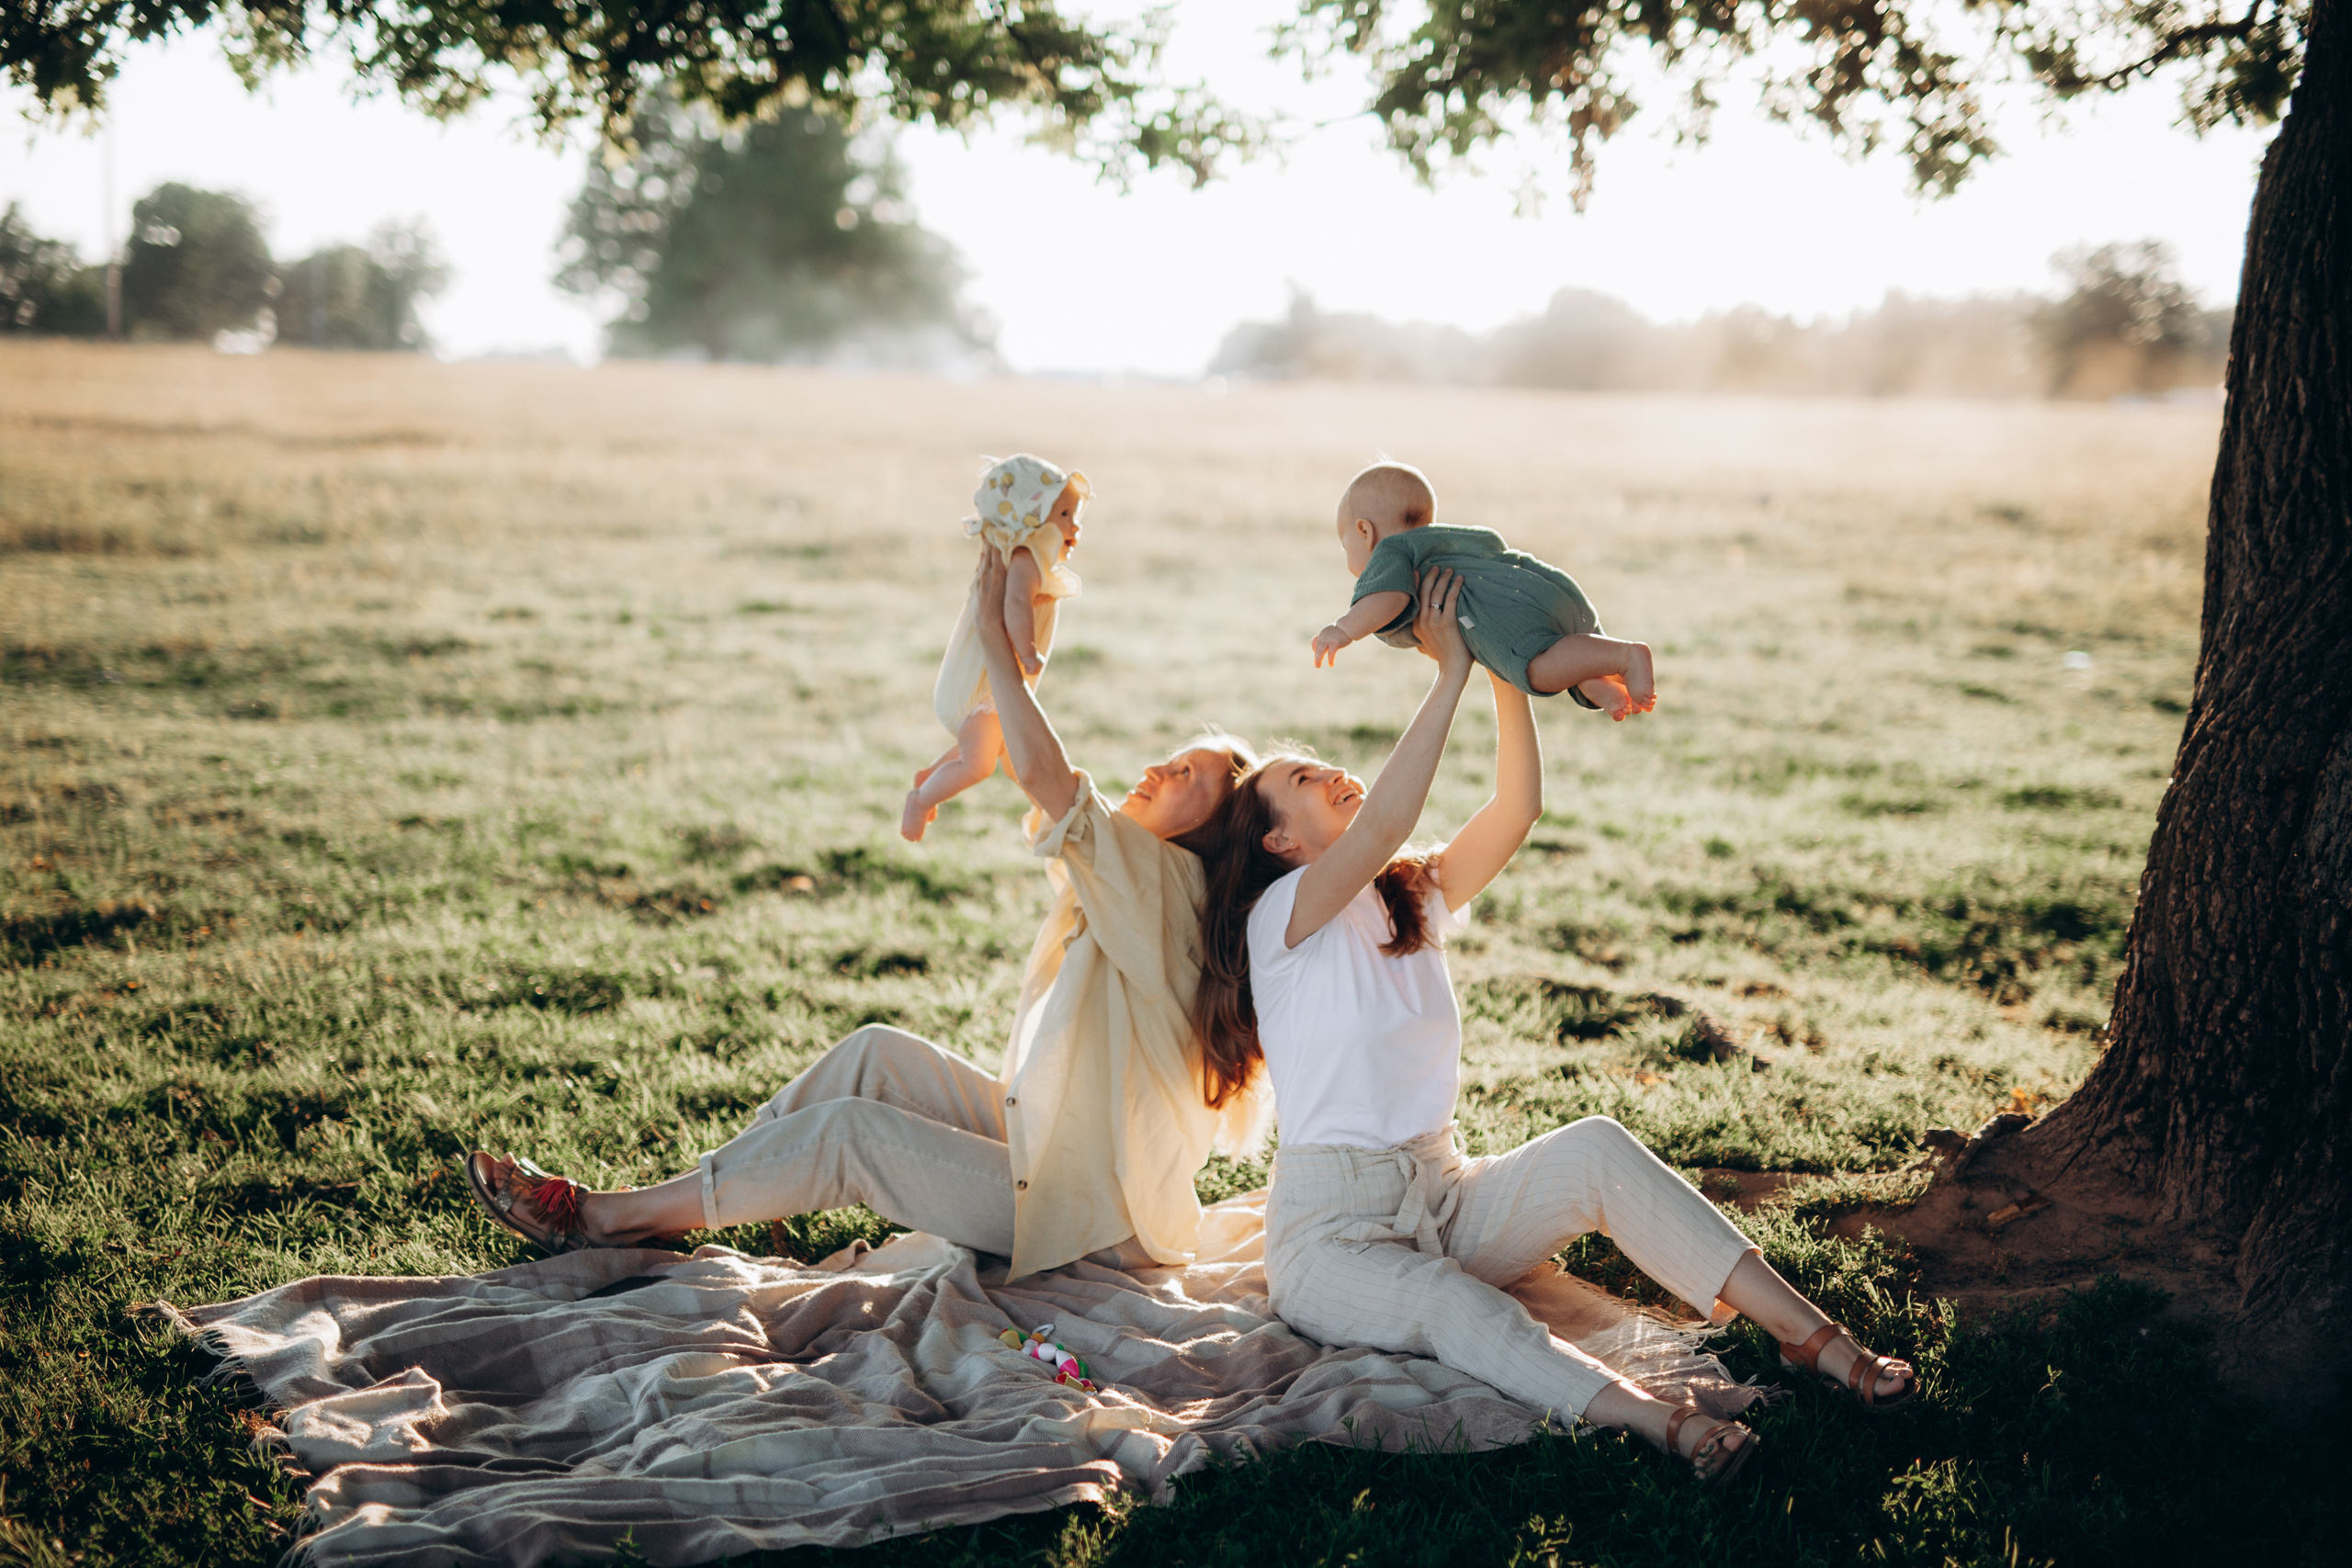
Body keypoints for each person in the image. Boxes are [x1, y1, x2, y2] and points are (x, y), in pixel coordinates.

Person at [1195, 568, 1914, 1484]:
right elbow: (1382, 825)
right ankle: (1663, 1424)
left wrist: (1503, 664)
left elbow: (1514, 810)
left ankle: (1813, 1341)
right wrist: (1443, 672)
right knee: (1449, 1306)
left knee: (1596, 1149)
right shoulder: (1284, 918)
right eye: (1304, 779)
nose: (1335, 773)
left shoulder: (1405, 895)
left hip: (1442, 1191)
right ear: (1279, 842)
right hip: (1330, 1238)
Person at [468, 547, 1265, 1281]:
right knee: (874, 1054)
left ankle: (608, 1220)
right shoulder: (1145, 876)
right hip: (1063, 1154)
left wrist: (994, 632)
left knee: (852, 1132)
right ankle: (707, 1194)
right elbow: (1023, 764)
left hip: (1091, 1221)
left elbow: (1044, 772)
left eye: (1188, 775)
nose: (1161, 765)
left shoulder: (1168, 883)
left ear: (1211, 835)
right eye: (1176, 754)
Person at [1308, 461, 1657, 721]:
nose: (1349, 562)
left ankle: (1625, 657)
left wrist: (1343, 629)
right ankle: (1606, 684)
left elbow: (1390, 598)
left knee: (1536, 668)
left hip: (1508, 611)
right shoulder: (1450, 542)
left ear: (1365, 531)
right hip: (1543, 585)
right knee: (1563, 657)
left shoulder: (1392, 552)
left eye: (1345, 548)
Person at [905, 453, 1089, 841]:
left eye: (1076, 515)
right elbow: (1015, 604)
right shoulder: (1025, 556)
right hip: (982, 689)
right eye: (1065, 516)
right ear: (1032, 517)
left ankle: (932, 776)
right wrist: (1025, 652)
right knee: (979, 765)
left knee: (999, 749)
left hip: (984, 687)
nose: (1076, 526)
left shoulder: (1024, 556)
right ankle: (921, 799)